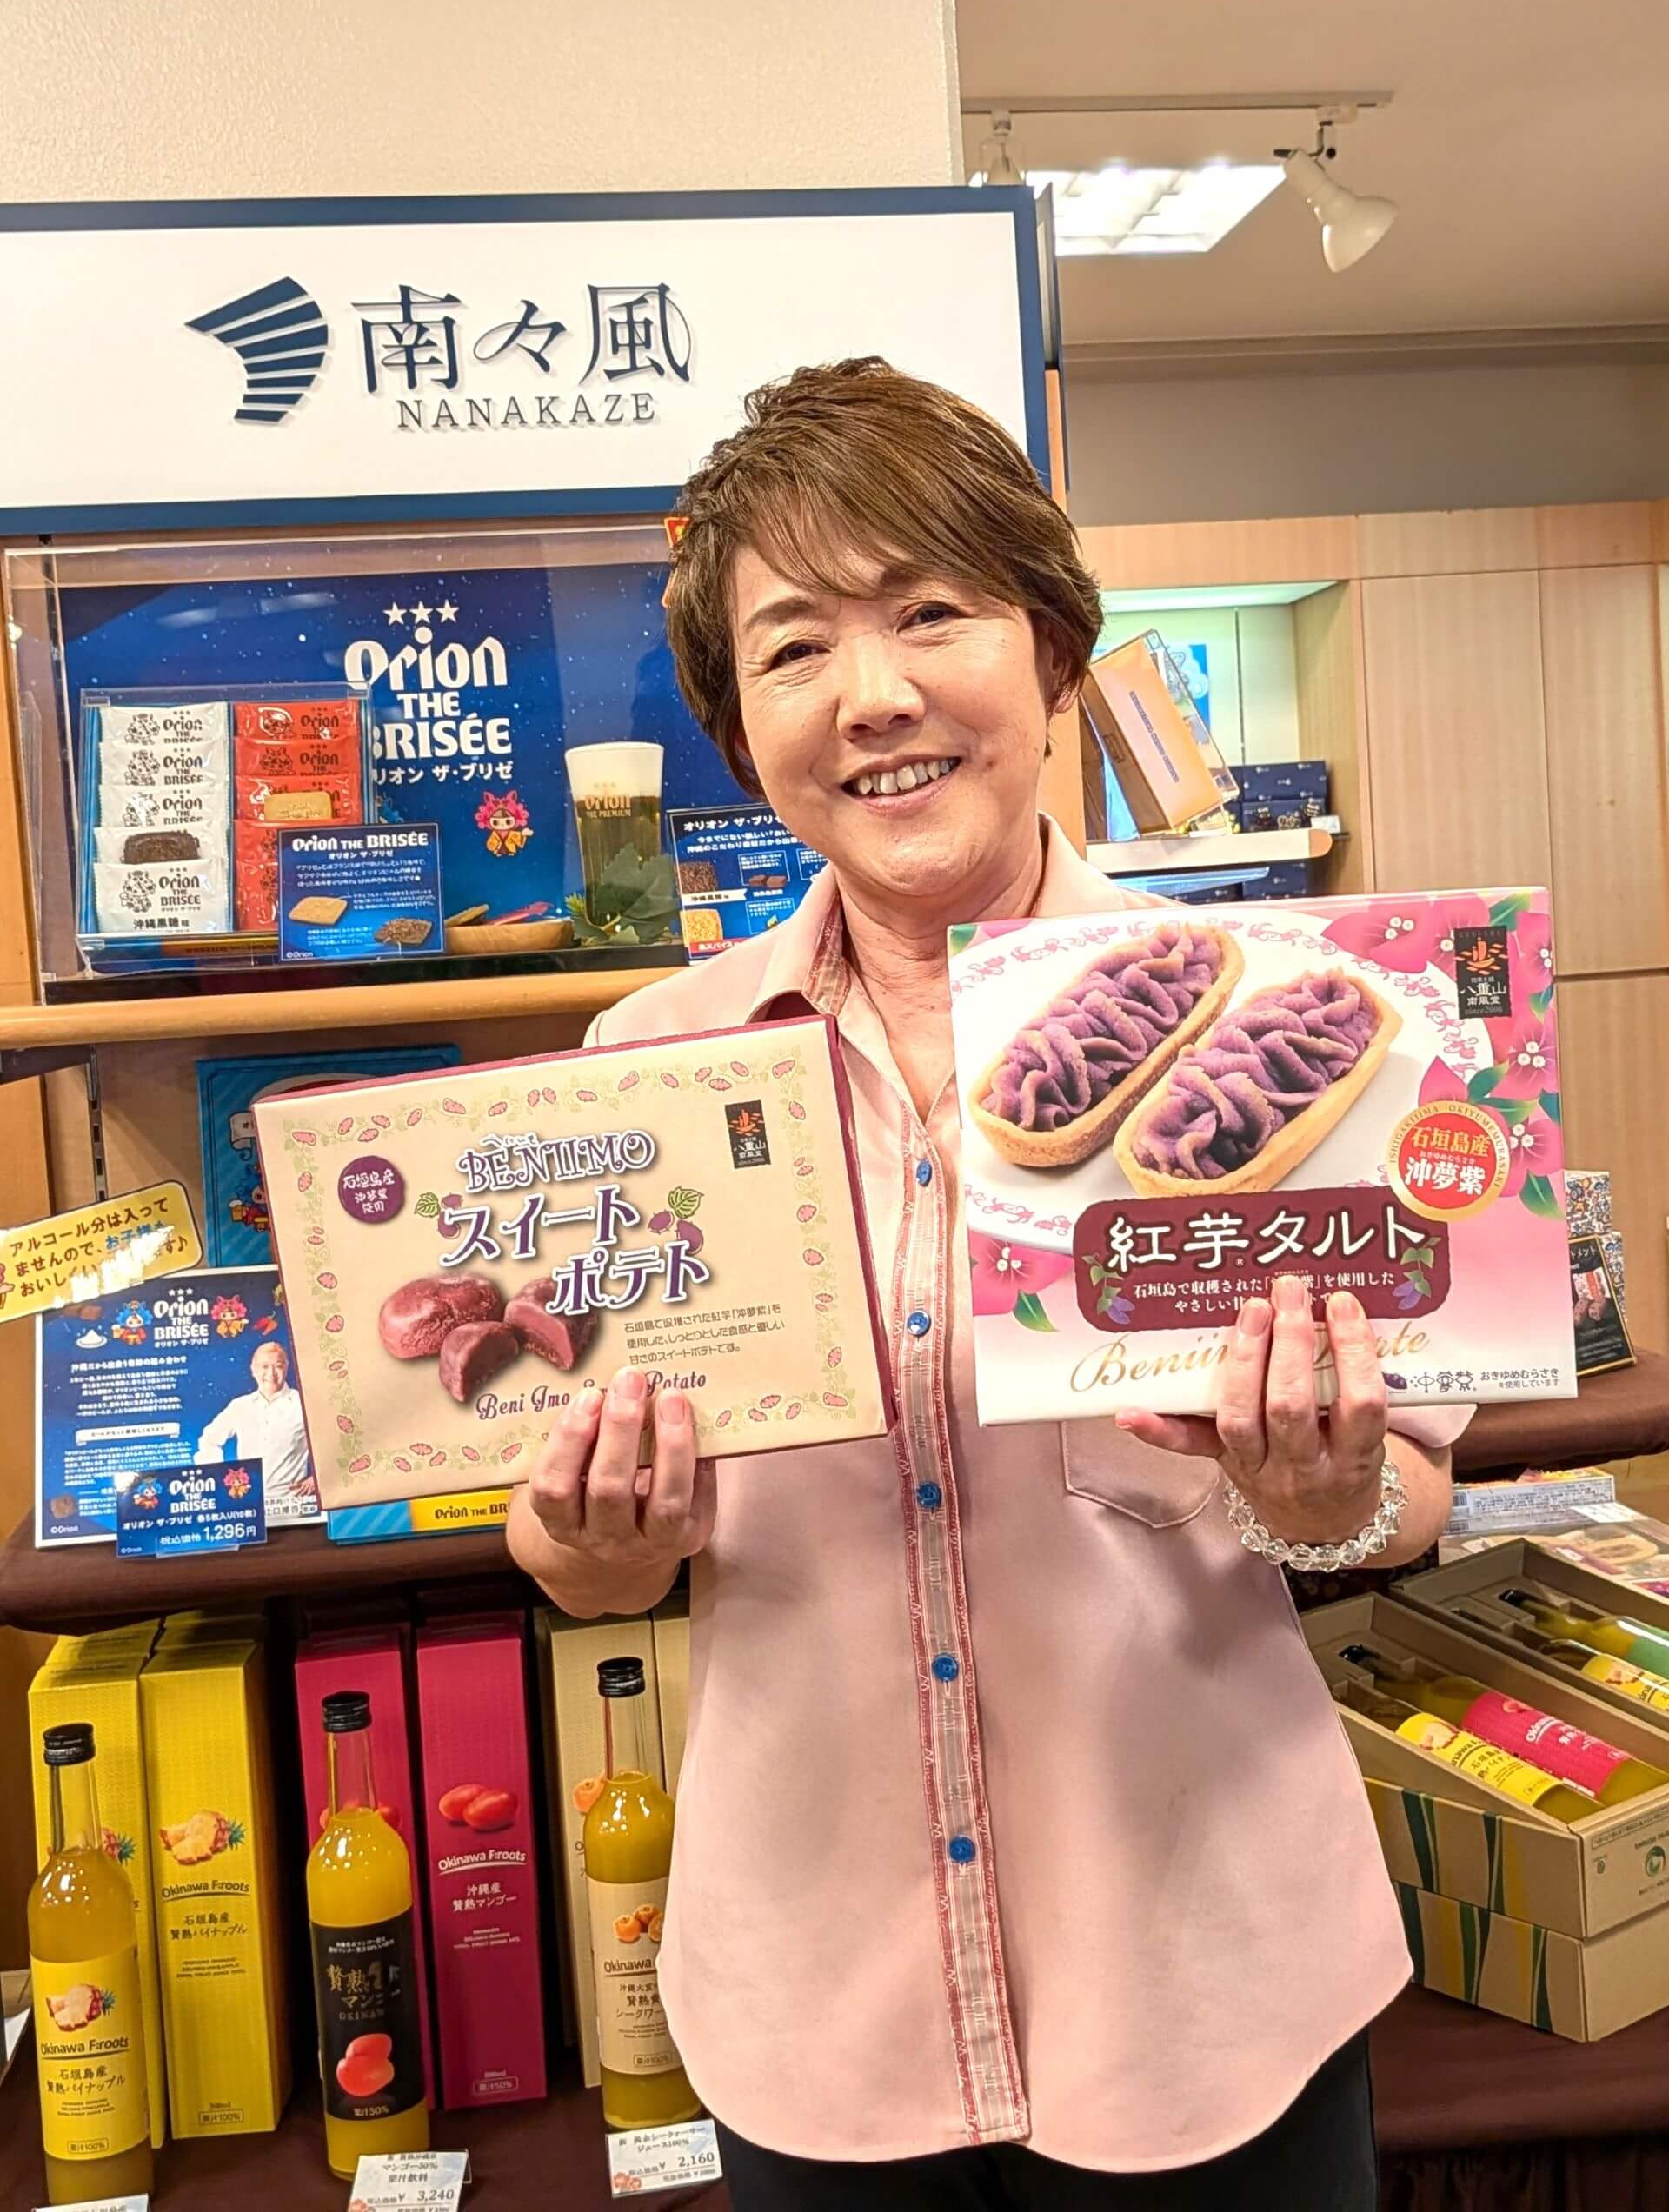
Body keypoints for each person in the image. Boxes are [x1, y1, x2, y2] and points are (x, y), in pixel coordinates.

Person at [508, 359, 1470, 2210]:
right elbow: (582, 1565)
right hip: (820, 2007)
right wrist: (599, 1536)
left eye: (930, 610)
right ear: (742, 729)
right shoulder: (647, 1071)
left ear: (1051, 647)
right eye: (795, 647)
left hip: (1207, 1980)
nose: (872, 694)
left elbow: (1404, 1496)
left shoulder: (1276, 1014)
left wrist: (1320, 1490)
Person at [195, 1339, 317, 1517]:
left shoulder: (303, 1403)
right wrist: (219, 1478)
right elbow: (209, 1440)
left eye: (278, 1366)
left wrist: (318, 1479)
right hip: (249, 1505)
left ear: (287, 1367)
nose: (271, 1373)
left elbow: (335, 1440)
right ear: (253, 1370)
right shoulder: (240, 1406)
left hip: (291, 1506)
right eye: (264, 1367)